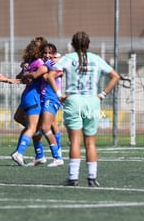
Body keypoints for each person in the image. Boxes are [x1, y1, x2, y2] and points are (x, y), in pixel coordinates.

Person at [47, 31, 119, 187]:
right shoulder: (96, 59)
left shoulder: (68, 58)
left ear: (72, 44)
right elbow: (115, 76)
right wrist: (102, 94)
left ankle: (73, 178)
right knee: (90, 142)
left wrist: (59, 94)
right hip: (92, 101)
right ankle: (92, 178)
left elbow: (50, 76)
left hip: (73, 101)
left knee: (75, 141)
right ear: (89, 44)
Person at [22, 43, 64, 167]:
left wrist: (28, 73)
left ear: (54, 55)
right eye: (44, 53)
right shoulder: (47, 64)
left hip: (51, 99)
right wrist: (26, 67)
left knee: (45, 127)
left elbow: (39, 75)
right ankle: (40, 156)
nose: (47, 55)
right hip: (43, 98)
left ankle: (57, 157)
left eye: (50, 53)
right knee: (40, 127)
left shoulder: (53, 64)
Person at [11, 36, 50, 166]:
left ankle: (40, 155)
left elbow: (19, 78)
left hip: (26, 96)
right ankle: (19, 153)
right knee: (33, 128)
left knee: (21, 120)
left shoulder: (30, 63)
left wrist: (25, 70)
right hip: (34, 96)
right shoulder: (39, 63)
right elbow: (45, 77)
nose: (47, 54)